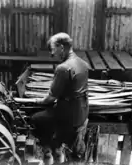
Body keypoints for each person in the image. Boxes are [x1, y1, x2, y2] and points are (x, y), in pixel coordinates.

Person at [31, 32, 89, 164]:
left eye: (53, 49)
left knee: (36, 118)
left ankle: (50, 151)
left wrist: (37, 101)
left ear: (61, 48)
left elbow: (50, 98)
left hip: (69, 115)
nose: (52, 54)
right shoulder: (83, 64)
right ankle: (56, 149)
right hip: (83, 111)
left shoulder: (63, 68)